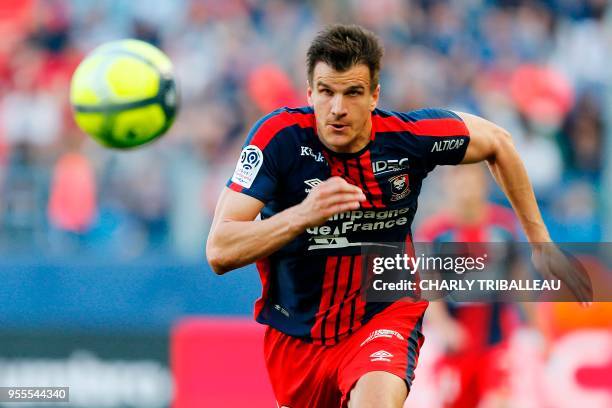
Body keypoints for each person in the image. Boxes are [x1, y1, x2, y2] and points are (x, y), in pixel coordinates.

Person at [206, 24, 590, 408]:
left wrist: (540, 242)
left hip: (384, 312)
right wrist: (303, 216)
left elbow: (499, 144)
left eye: (352, 92)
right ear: (309, 92)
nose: (337, 108)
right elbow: (220, 250)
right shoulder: (278, 139)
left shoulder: (409, 139)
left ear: (374, 95)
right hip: (298, 334)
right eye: (326, 92)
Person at [416, 164, 524, 408]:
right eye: (457, 179)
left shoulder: (504, 226)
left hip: (496, 334)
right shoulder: (434, 233)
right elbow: (428, 285)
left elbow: (519, 280)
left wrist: (538, 327)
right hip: (456, 340)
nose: (465, 186)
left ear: (484, 183)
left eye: (471, 178)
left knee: (499, 400)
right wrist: (444, 325)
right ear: (447, 185)